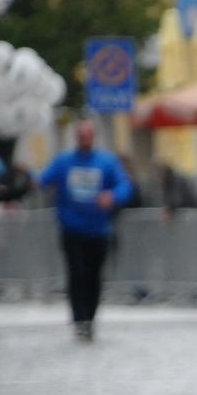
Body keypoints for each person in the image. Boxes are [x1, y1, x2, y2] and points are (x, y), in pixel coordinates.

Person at [39, 120, 133, 341]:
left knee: (94, 276)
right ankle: (79, 318)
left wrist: (112, 196)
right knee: (76, 273)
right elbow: (43, 179)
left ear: (94, 136)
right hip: (71, 228)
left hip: (98, 230)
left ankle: (89, 318)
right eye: (80, 135)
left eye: (87, 134)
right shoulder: (63, 161)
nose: (84, 138)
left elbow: (125, 186)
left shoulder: (106, 161)